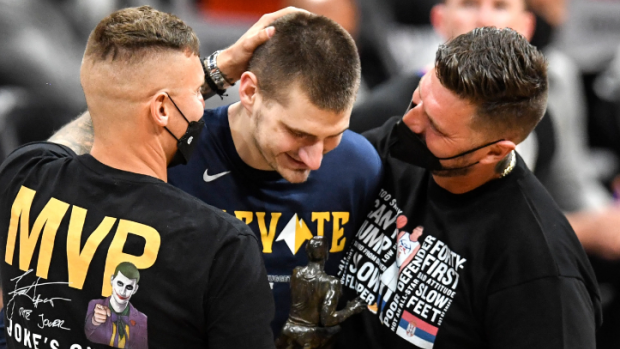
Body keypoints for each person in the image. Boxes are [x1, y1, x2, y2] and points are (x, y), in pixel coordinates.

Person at [0, 5, 303, 349]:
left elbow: (76, 136)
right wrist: (216, 73)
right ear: (161, 109)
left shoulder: (22, 174)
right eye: (195, 91)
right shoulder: (219, 245)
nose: (201, 106)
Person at [337, 27, 601, 348]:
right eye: (418, 98)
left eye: (436, 127)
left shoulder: (539, 272)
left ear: (495, 151)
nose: (410, 123)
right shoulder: (398, 147)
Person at [350, 0, 620, 260]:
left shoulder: (541, 120)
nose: (484, 19)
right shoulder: (379, 115)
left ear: (527, 26)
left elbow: (547, 201)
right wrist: (584, 231)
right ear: (439, 20)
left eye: (500, 6)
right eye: (468, 4)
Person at [167, 12, 382, 336]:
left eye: (332, 135)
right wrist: (219, 69)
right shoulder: (177, 153)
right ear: (250, 92)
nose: (315, 160)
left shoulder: (359, 167)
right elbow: (70, 153)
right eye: (299, 133)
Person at [276, 236, 365, 349]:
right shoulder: (331, 282)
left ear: (307, 252)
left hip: (287, 330)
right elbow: (327, 320)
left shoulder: (296, 273)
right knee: (335, 330)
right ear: (326, 255)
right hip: (309, 336)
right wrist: (351, 310)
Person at [85, 262, 147, 349]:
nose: (122, 291)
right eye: (120, 284)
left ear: (135, 289)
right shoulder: (94, 305)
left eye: (129, 287)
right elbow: (83, 332)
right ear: (112, 280)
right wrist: (94, 321)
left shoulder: (142, 319)